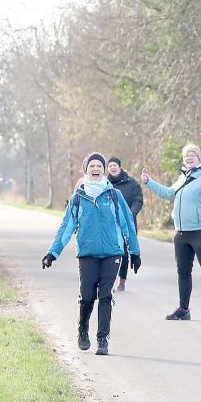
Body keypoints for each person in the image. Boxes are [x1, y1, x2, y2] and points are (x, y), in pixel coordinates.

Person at [43, 153, 141, 356]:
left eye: (99, 165)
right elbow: (66, 228)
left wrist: (134, 251)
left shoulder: (114, 195)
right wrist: (53, 252)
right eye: (92, 165)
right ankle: (82, 330)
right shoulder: (78, 198)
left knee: (105, 295)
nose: (96, 168)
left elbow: (128, 224)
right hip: (87, 254)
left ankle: (102, 339)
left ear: (103, 169)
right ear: (86, 169)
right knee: (87, 297)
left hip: (112, 253)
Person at [142, 144, 201, 322]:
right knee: (183, 272)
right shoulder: (182, 178)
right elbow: (168, 193)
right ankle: (183, 309)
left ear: (199, 158)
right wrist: (148, 182)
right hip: (181, 233)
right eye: (186, 156)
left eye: (192, 155)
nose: (189, 158)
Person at [107, 156, 144, 291]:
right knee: (110, 252)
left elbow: (138, 200)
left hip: (127, 224)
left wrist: (129, 214)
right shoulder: (105, 184)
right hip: (110, 224)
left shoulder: (132, 183)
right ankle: (109, 280)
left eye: (114, 165)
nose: (112, 167)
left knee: (124, 253)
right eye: (110, 166)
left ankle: (122, 281)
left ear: (119, 166)